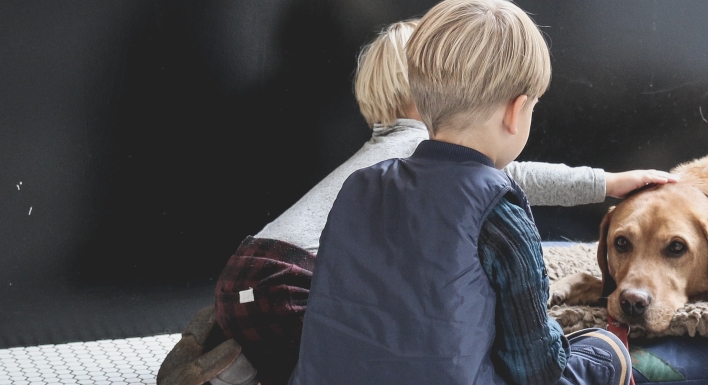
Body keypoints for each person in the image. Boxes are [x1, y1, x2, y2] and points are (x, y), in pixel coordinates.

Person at [200, 5, 672, 385]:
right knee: (602, 350)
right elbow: (536, 367)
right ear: (517, 111)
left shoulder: (359, 185)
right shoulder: (500, 208)